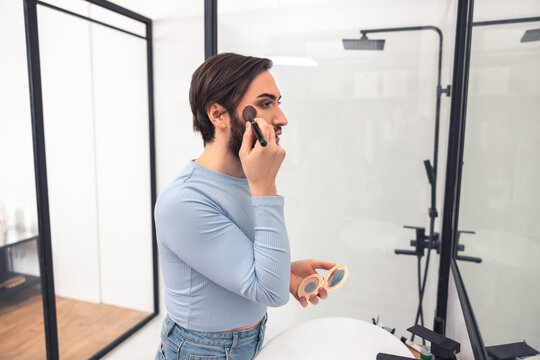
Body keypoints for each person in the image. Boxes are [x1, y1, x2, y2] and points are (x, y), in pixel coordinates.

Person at [154, 53, 335, 360]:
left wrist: (283, 272)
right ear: (218, 114)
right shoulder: (184, 200)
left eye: (278, 102)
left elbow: (243, 268)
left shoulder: (246, 178)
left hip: (247, 340)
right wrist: (265, 187)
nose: (282, 117)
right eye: (266, 104)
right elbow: (269, 293)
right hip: (201, 352)